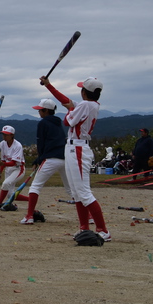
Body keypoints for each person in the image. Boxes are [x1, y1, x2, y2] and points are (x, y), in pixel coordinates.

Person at [41, 75, 111, 242]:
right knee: (76, 193)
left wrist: (70, 109)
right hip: (74, 147)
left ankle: (103, 230)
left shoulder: (86, 105)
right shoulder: (90, 104)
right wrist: (49, 86)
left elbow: (67, 122)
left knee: (83, 193)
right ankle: (84, 228)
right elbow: (67, 101)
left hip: (78, 148)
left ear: (84, 92)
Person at [20, 99, 73, 224]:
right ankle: (89, 217)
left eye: (41, 110)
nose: (39, 112)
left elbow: (41, 144)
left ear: (46, 111)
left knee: (35, 187)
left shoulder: (43, 123)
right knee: (71, 189)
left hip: (51, 158)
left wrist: (39, 159)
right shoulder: (58, 122)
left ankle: (29, 216)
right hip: (65, 158)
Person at [0, 125, 28, 209]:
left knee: (6, 183)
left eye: (6, 134)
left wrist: (3, 165)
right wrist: (0, 172)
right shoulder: (2, 144)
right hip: (8, 169)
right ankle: (30, 199)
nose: (4, 136)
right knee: (10, 194)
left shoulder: (18, 145)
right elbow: (3, 160)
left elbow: (13, 162)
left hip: (18, 169)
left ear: (12, 135)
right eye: (3, 134)